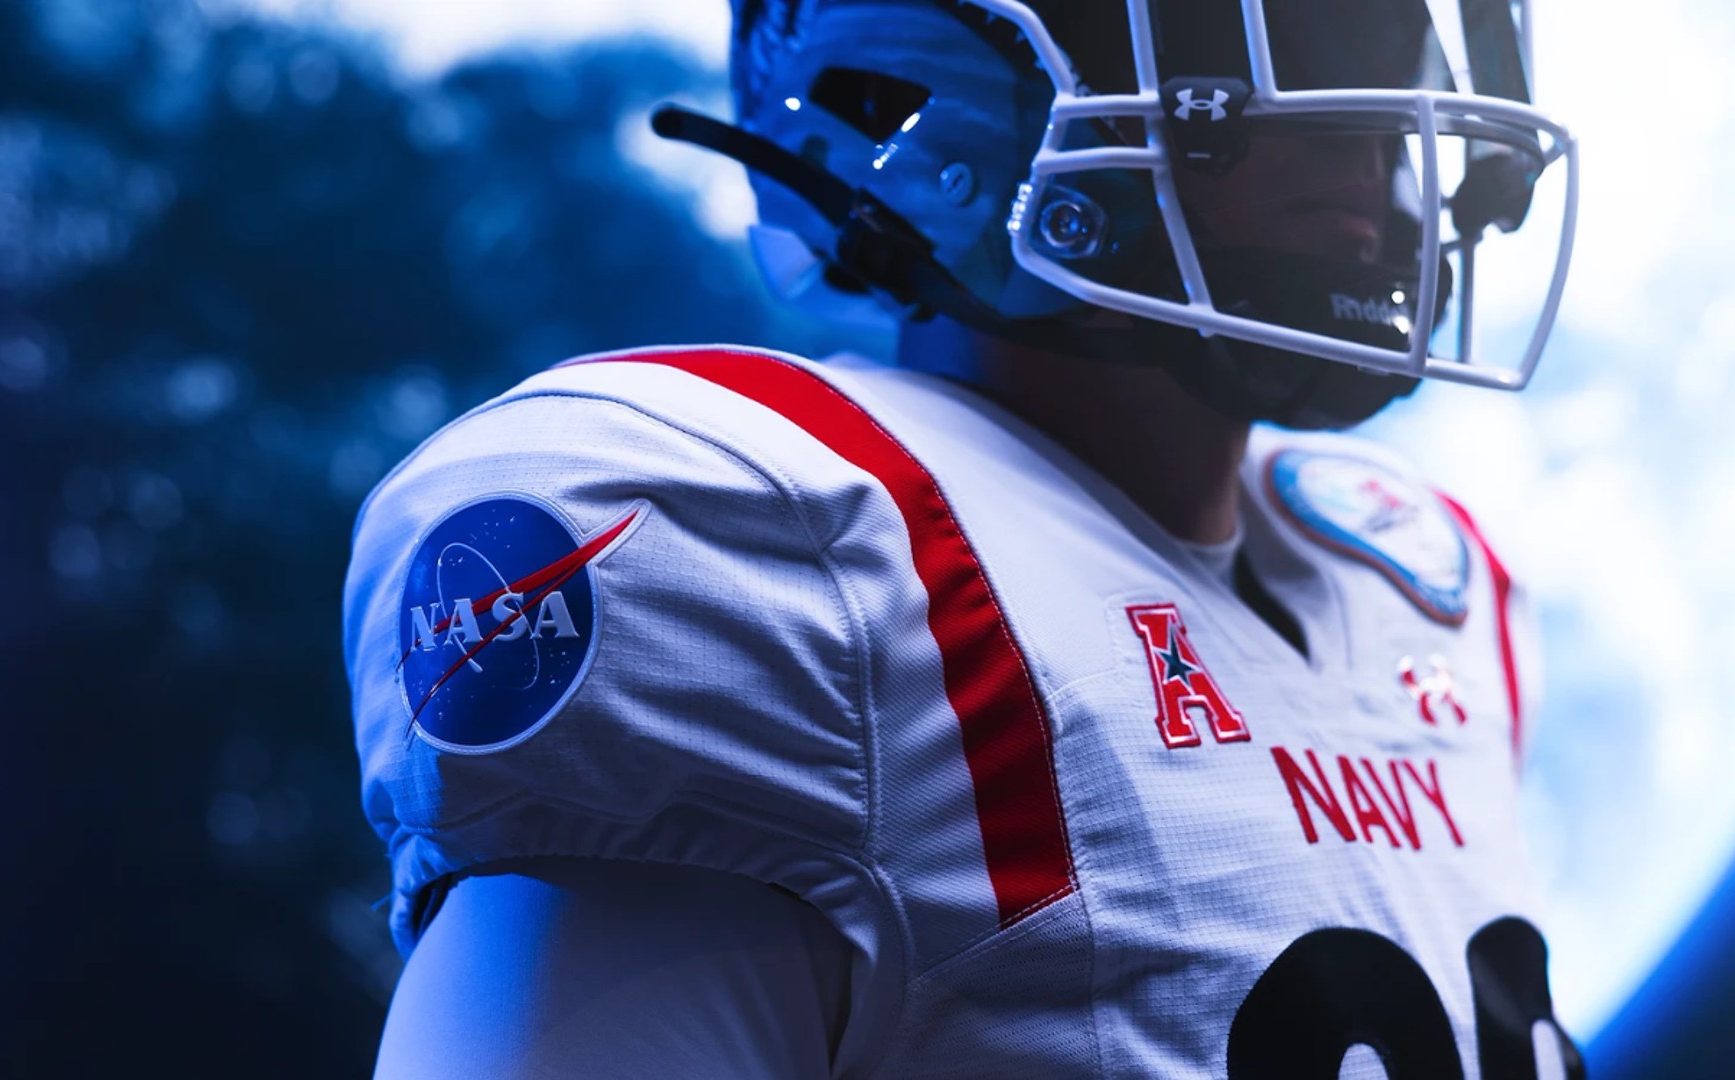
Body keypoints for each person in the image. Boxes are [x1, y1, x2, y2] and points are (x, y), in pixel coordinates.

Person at [344, 0, 1585, 1075]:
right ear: (936, 93)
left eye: (1385, 36)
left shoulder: (1423, 576)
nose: (1372, 128)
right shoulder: (793, 566)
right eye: (1284, 35)